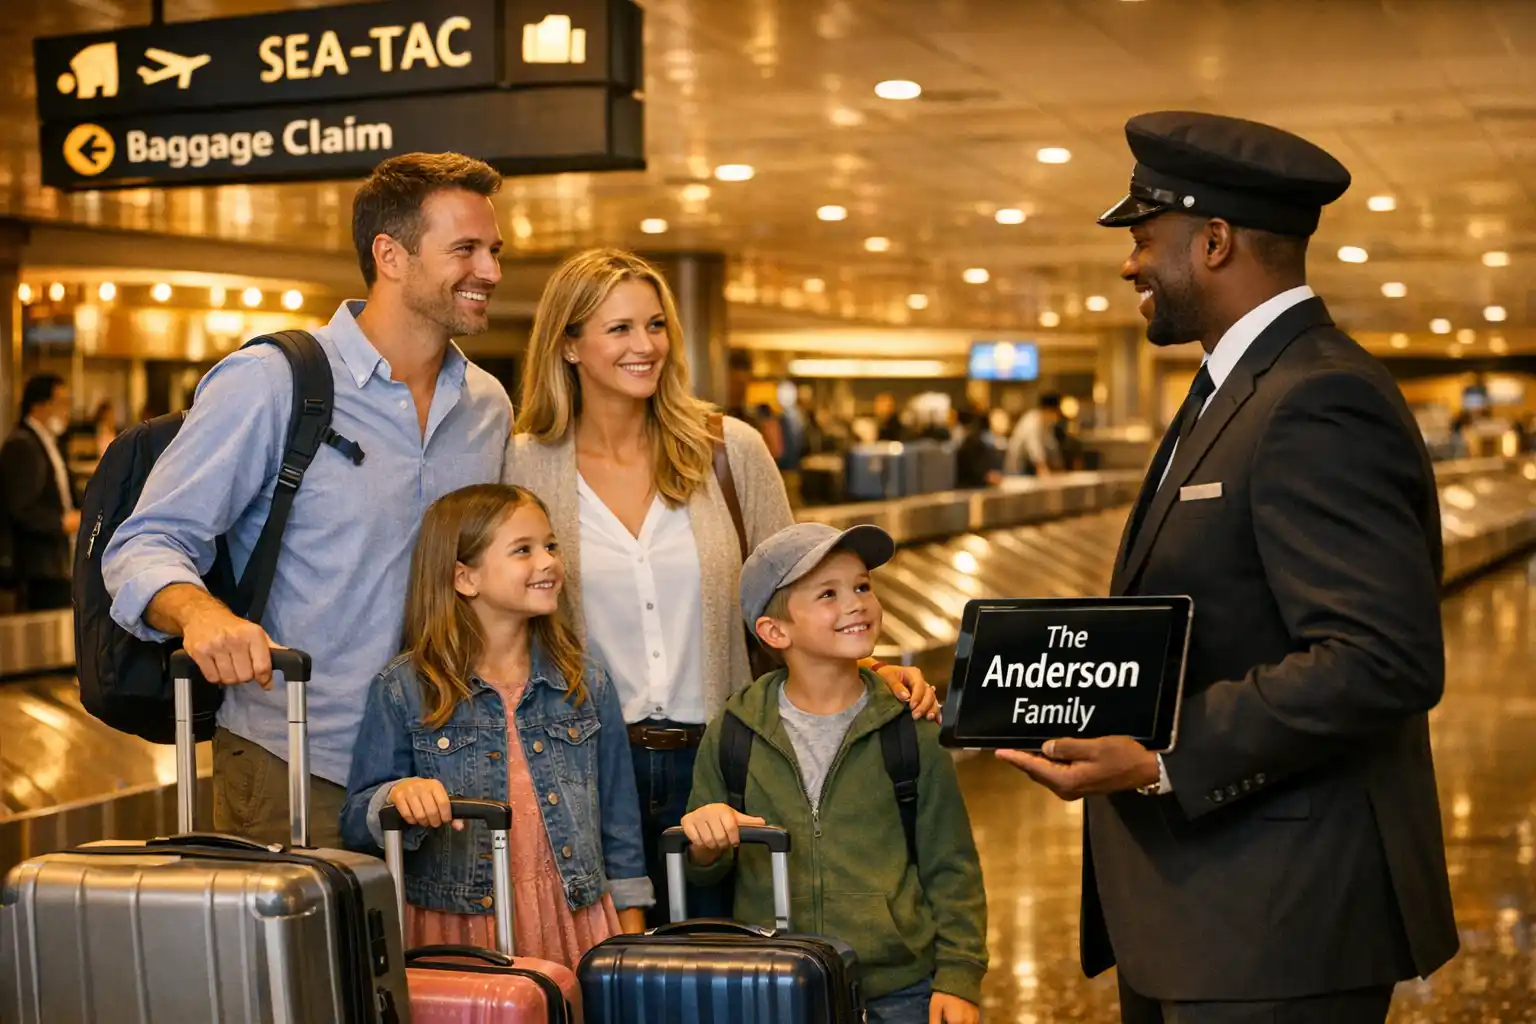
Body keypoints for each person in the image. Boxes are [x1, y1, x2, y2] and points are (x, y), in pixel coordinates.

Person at [997, 110, 1458, 1023]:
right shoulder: (1233, 390)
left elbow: (1380, 660)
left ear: (1213, 242)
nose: (1130, 263)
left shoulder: (1316, 398)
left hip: (1279, 925)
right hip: (1205, 919)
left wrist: (1163, 753)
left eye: (1142, 237)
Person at [503, 248, 938, 926]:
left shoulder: (728, 451)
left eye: (655, 325)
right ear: (567, 344)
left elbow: (798, 594)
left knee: (726, 960)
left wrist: (874, 671)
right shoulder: (525, 462)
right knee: (604, 967)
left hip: (725, 759)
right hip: (583, 766)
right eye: (618, 329)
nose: (644, 346)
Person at [103, 152, 513, 847]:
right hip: (297, 756)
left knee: (437, 962)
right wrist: (201, 615)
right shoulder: (271, 382)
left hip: (442, 769)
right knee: (303, 959)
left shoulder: (486, 406)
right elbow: (144, 543)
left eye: (495, 251)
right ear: (390, 253)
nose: (492, 272)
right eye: (465, 249)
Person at [681, 522, 987, 1024]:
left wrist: (959, 976)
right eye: (829, 593)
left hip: (899, 990)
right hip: (773, 986)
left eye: (863, 586)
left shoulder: (909, 729)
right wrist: (706, 841)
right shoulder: (735, 732)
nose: (856, 603)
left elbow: (951, 865)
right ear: (775, 631)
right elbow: (706, 865)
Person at [341, 484, 652, 963]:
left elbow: (619, 820)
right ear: (465, 578)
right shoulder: (405, 688)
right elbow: (356, 819)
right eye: (523, 550)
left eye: (550, 546)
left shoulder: (585, 682)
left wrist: (629, 931)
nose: (547, 561)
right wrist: (396, 797)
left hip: (573, 916)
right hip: (456, 925)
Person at [0, 374, 80, 611]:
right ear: (39, 405)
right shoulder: (22, 444)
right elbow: (20, 508)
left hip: (56, 562)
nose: (67, 410)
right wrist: (62, 522)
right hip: (37, 566)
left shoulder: (47, 441)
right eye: (61, 402)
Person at [1002, 392, 1062, 475]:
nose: (1055, 417)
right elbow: (1034, 448)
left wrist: (1057, 465)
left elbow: (1051, 445)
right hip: (1018, 466)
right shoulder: (1031, 421)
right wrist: (1043, 469)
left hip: (1028, 466)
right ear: (1047, 410)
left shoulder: (1046, 424)